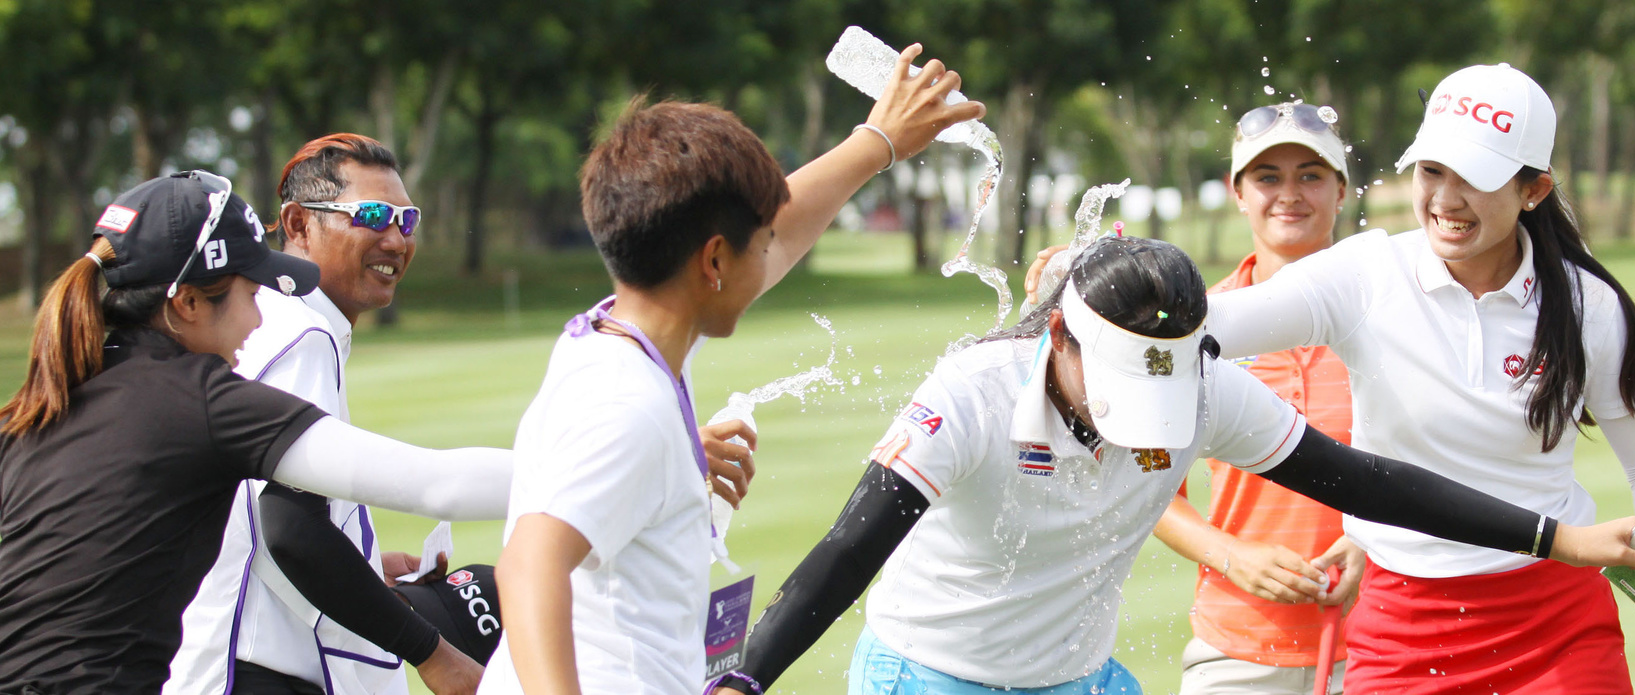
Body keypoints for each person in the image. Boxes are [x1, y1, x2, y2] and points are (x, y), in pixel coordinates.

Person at [711, 236, 1635, 695]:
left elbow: (1367, 480)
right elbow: (848, 550)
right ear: (1060, 336)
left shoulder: (1206, 387)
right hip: (932, 676)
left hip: (1083, 679)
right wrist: (745, 679)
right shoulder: (969, 392)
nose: (1142, 426)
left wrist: (1558, 535)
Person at [1184, 65, 1635, 694]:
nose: (1444, 199)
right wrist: (1115, 293)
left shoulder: (1588, 307)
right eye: (1431, 171)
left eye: (1474, 179)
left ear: (1534, 190)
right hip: (1401, 624)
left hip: (1554, 621)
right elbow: (1213, 325)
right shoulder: (1366, 274)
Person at [474, 44, 986, 695]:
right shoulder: (630, 405)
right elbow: (528, 565)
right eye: (762, 244)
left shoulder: (616, 331)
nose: (774, 256)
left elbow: (780, 221)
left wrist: (878, 141)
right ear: (714, 261)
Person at [0, 171, 513, 695]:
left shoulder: (42, 404)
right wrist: (587, 471)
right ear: (188, 303)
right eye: (252, 291)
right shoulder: (202, 399)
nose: (257, 319)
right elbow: (435, 484)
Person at [166, 134, 479, 695]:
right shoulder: (300, 333)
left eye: (408, 220)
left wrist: (360, 563)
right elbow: (289, 528)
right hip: (251, 671)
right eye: (374, 215)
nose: (395, 239)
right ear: (298, 224)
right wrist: (435, 656)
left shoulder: (267, 321)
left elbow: (263, 516)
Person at [1153, 101, 1360, 694]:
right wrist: (1230, 554)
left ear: (1341, 190)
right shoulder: (1196, 326)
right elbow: (1150, 483)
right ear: (1237, 192)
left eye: (1310, 176)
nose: (1289, 194)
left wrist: (1373, 543)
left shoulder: (1388, 316)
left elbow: (1443, 459)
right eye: (1268, 177)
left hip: (1379, 645)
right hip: (1236, 651)